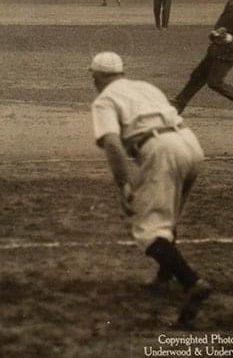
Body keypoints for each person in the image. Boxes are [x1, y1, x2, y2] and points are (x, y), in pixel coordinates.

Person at [88, 51, 211, 326]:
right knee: (168, 216)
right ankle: (163, 279)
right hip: (190, 143)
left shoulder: (104, 100)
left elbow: (112, 143)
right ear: (121, 72)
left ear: (96, 77)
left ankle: (192, 282)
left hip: (161, 150)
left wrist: (124, 186)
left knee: (148, 226)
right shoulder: (145, 86)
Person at [170, 0, 233, 119]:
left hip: (229, 54)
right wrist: (215, 33)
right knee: (197, 75)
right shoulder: (232, 5)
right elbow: (224, 23)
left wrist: (231, 38)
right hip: (216, 49)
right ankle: (179, 104)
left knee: (214, 82)